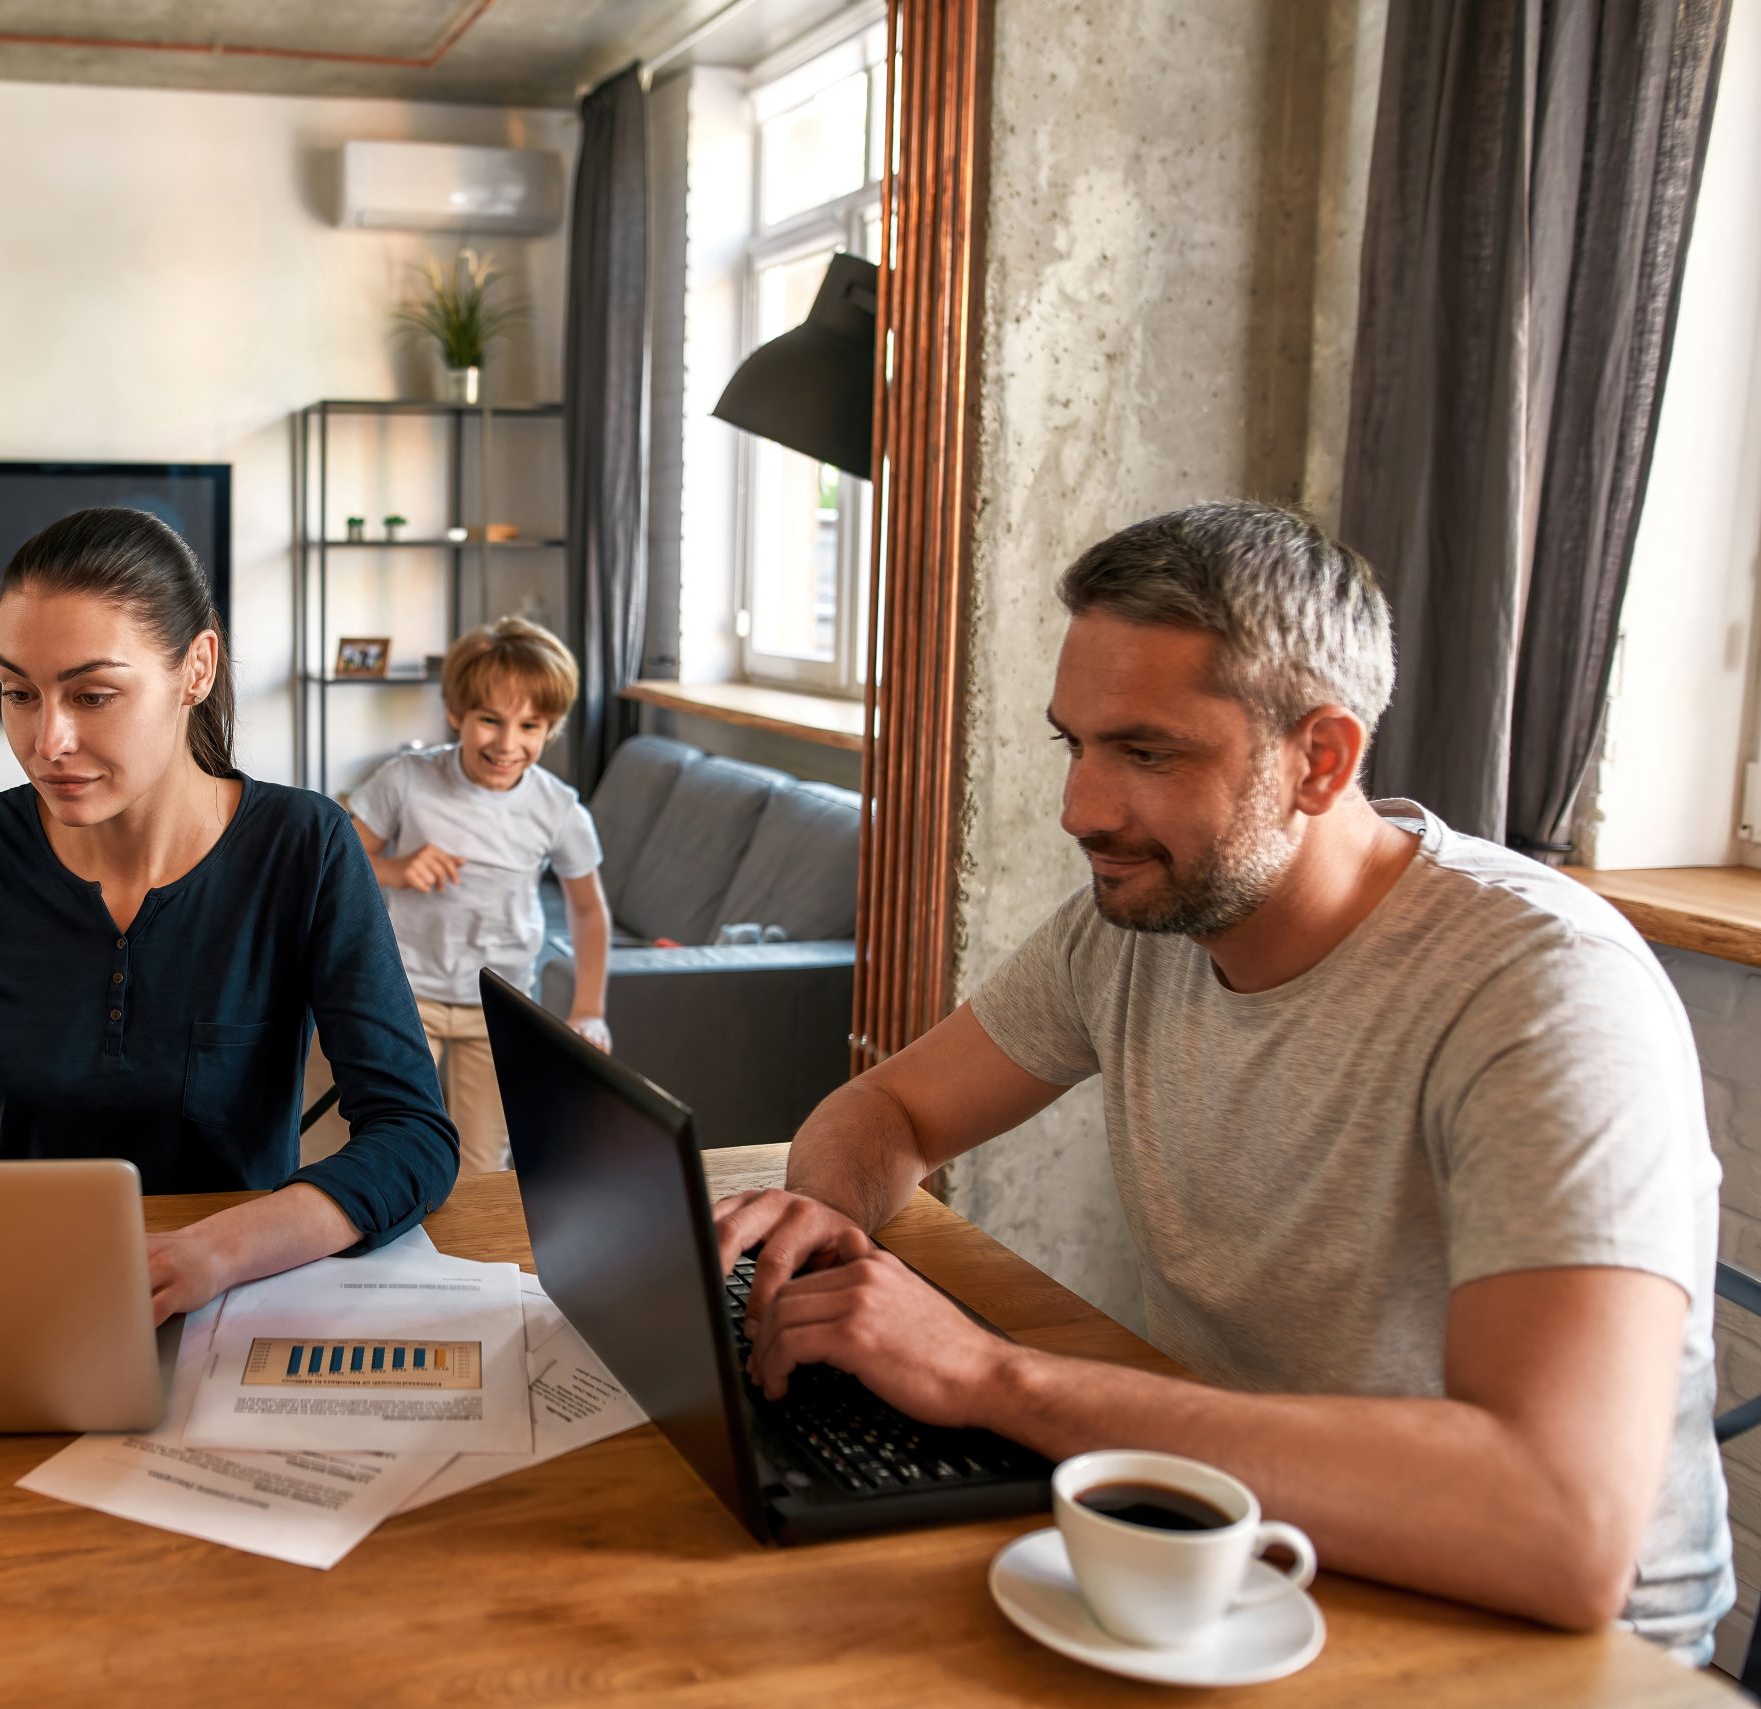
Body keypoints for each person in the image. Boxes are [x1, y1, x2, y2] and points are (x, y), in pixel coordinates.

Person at [714, 502, 1730, 1661]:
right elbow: (887, 1107)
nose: (1080, 809)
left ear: (1321, 759)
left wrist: (992, 1375)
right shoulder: (1135, 928)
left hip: (1551, 1645)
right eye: (1074, 743)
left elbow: (1558, 1525)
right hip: (1246, 1544)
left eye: (1146, 752)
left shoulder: (1543, 993)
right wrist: (828, 1217)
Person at [0, 507, 459, 1323]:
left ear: (197, 668)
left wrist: (218, 1249)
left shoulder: (304, 846)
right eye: (17, 693)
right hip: (38, 1290)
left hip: (243, 1296)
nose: (48, 741)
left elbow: (412, 1135)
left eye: (94, 694)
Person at [348, 617, 612, 1176]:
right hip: (403, 994)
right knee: (381, 1141)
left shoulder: (558, 808)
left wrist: (589, 1010)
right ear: (456, 714)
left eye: (530, 726)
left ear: (551, 729)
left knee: (484, 1167)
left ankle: (468, 1264)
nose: (508, 744)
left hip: (500, 1004)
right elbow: (337, 869)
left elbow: (588, 912)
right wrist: (396, 868)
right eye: (490, 720)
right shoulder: (406, 780)